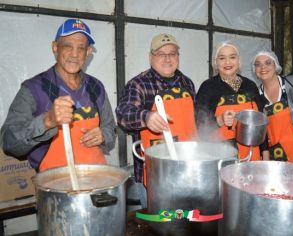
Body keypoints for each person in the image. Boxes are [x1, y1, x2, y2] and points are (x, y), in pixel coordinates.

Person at [0, 19, 116, 172]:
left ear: (88, 52)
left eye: (81, 48)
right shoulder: (33, 89)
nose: (74, 54)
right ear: (55, 47)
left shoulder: (96, 87)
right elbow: (8, 142)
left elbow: (110, 128)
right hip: (54, 186)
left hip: (96, 178)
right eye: (68, 46)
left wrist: (103, 135)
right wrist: (47, 121)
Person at [116, 33, 196, 208]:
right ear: (151, 57)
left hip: (187, 169)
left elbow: (195, 121)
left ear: (178, 57)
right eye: (161, 54)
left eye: (172, 53)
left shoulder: (187, 83)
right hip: (153, 174)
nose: (167, 59)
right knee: (157, 225)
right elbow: (123, 114)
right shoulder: (138, 84)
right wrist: (147, 117)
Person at [195, 41, 268, 161]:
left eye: (232, 57)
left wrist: (265, 155)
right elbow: (198, 125)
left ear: (239, 61)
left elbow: (261, 123)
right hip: (220, 156)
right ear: (216, 62)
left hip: (251, 155)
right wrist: (219, 120)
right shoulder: (208, 87)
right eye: (222, 58)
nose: (228, 62)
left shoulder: (250, 86)